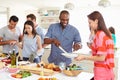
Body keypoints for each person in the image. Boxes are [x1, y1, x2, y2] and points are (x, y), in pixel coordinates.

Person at [75, 11, 114, 80]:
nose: (89, 25)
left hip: (102, 72)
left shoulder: (100, 35)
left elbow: (101, 58)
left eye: (90, 22)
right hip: (109, 72)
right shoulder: (107, 34)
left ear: (96, 21)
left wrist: (84, 57)